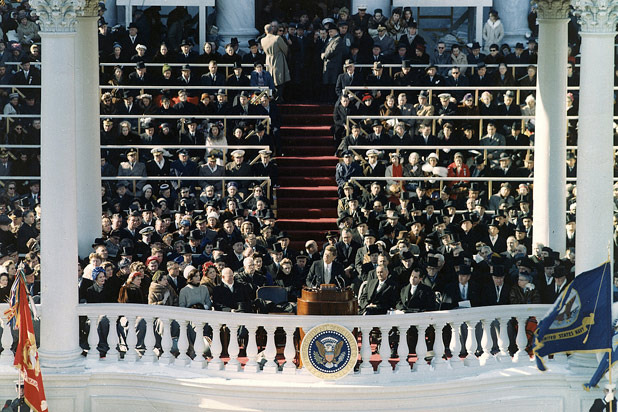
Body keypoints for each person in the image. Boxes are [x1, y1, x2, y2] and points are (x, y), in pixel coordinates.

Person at [260, 23, 290, 102]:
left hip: (268, 59)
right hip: (278, 59)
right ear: (272, 30)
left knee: (271, 78)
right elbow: (285, 49)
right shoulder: (277, 38)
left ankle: (273, 96)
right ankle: (279, 96)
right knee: (280, 78)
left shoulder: (262, 40)